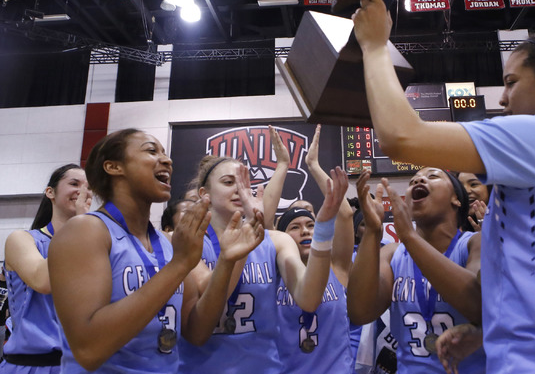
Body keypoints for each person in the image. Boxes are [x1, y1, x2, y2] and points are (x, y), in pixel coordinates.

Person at [352, 0, 535, 373]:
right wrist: (488, 333)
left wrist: (375, 45)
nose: (502, 98)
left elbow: (400, 136)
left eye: (512, 82)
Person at [47, 128, 263, 373]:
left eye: (165, 153)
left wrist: (227, 261)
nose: (168, 160)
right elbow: (89, 350)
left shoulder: (167, 242)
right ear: (114, 167)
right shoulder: (86, 230)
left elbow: (197, 332)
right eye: (151, 151)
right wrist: (180, 265)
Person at [178, 151, 348, 374]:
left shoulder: (277, 241)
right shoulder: (184, 241)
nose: (239, 189)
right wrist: (249, 227)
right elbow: (206, 299)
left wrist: (323, 229)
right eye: (229, 182)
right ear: (204, 193)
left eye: (244, 182)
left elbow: (309, 299)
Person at [348, 167, 485, 373]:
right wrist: (372, 230)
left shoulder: (475, 243)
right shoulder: (393, 254)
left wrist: (409, 237)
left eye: (433, 176)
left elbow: (479, 306)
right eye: (413, 181)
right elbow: (360, 313)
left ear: (456, 199)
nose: (419, 180)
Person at [275, 123, 354, 373]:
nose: (306, 230)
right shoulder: (274, 273)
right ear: (282, 237)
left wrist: (314, 166)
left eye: (310, 224)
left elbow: (344, 215)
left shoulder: (336, 265)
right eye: (295, 227)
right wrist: (282, 166)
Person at [1, 164, 91, 373]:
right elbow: (44, 281)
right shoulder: (22, 239)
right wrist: (80, 225)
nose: (81, 190)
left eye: (87, 186)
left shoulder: (93, 244)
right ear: (50, 192)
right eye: (74, 183)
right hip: (31, 364)